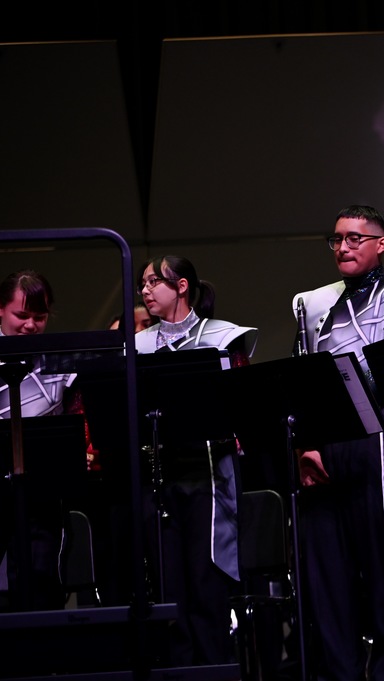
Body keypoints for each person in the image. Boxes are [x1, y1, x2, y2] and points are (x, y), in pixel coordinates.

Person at [291, 204, 384, 681]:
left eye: (355, 238)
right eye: (337, 239)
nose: (344, 247)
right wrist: (305, 444)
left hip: (383, 446)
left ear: (381, 243)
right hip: (327, 449)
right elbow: (300, 375)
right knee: (328, 581)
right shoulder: (312, 303)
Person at [136, 255, 257, 666]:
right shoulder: (136, 346)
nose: (146, 290)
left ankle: (215, 669)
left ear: (182, 285)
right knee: (168, 589)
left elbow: (243, 409)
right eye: (143, 284)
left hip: (209, 477)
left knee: (205, 585)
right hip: (158, 479)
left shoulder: (223, 336)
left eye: (154, 281)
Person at [0, 271, 79, 611]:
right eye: (22, 316)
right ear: (0, 310)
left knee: (40, 577)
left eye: (40, 317)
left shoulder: (60, 363)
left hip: (42, 493)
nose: (31, 325)